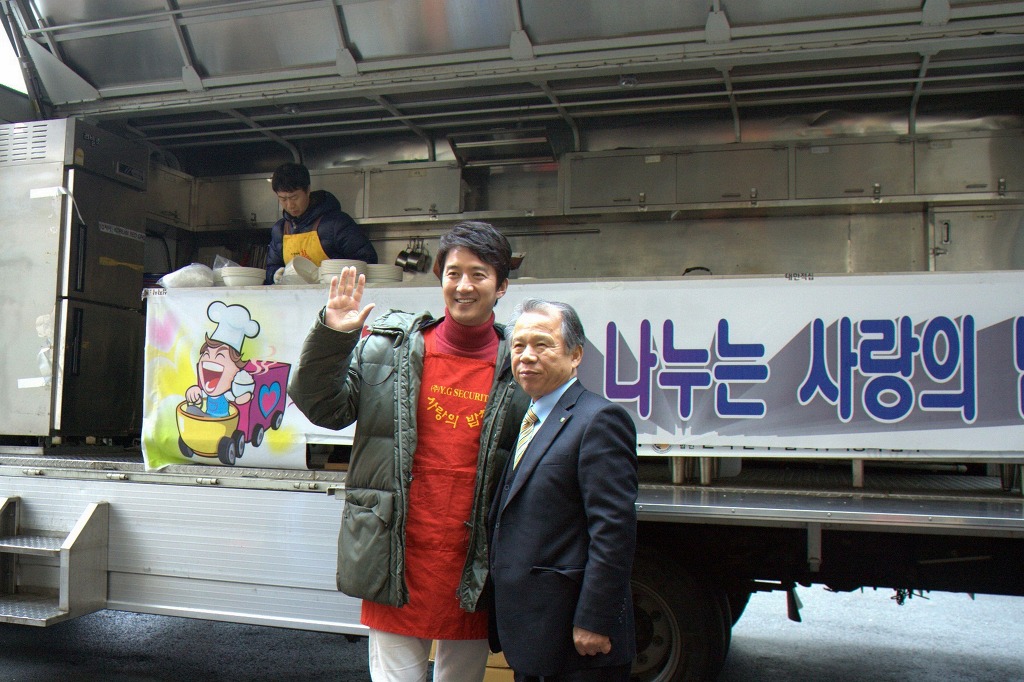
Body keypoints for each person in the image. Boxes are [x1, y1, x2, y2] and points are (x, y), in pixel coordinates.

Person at [288, 221, 530, 682]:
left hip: (474, 565)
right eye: (453, 273)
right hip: (394, 555)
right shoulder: (389, 349)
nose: (463, 285)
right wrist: (333, 337)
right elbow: (324, 407)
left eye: (478, 274)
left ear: (501, 286)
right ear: (440, 278)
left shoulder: (519, 366)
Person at [488, 298, 638, 682]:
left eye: (542, 344)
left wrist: (596, 619)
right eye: (519, 346)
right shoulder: (533, 417)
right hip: (534, 634)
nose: (527, 356)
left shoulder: (599, 419)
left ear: (575, 355)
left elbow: (613, 531)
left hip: (576, 643)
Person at [264, 162, 377, 284]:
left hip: (335, 294)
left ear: (308, 190)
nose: (290, 205)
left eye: (294, 198)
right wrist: (275, 274)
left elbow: (368, 260)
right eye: (283, 199)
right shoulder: (280, 229)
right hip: (295, 295)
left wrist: (332, 273)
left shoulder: (337, 223)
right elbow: (271, 267)